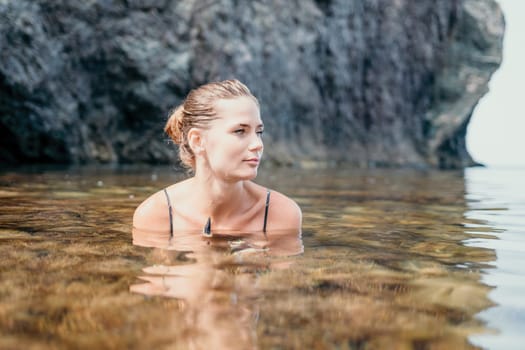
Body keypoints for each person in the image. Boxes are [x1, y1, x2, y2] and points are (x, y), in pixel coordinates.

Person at [133, 79, 302, 238]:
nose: (258, 144)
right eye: (240, 131)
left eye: (259, 132)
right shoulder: (157, 215)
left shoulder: (280, 215)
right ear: (198, 141)